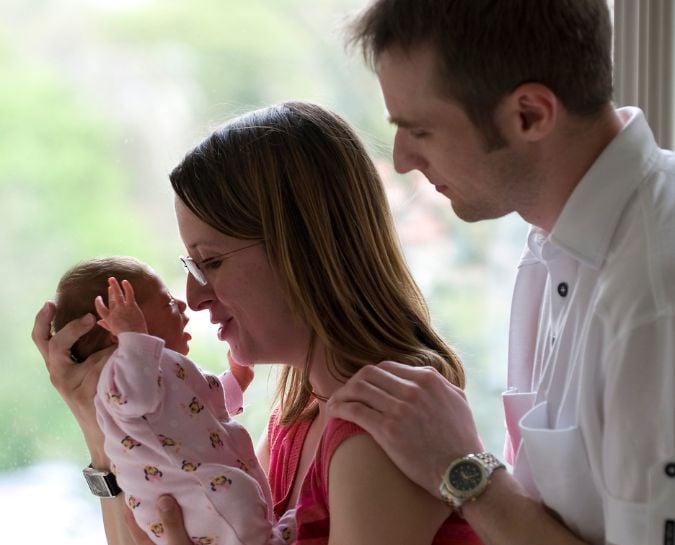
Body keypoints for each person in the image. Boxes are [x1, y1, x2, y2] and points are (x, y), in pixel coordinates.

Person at [34, 101, 482, 545]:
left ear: (302, 249)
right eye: (191, 266)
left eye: (210, 261)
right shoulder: (298, 420)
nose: (193, 296)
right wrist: (102, 429)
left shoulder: (381, 431)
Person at [325, 1, 675, 545]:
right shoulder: (552, 244)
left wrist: (462, 470)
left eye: (420, 130)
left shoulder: (654, 295)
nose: (400, 159)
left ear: (529, 115)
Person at [52, 257, 295, 545]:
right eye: (167, 303)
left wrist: (235, 382)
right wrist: (134, 337)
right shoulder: (119, 376)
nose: (182, 304)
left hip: (201, 495)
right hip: (192, 501)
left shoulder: (158, 372)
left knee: (242, 497)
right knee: (237, 498)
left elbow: (199, 411)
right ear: (117, 331)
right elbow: (138, 399)